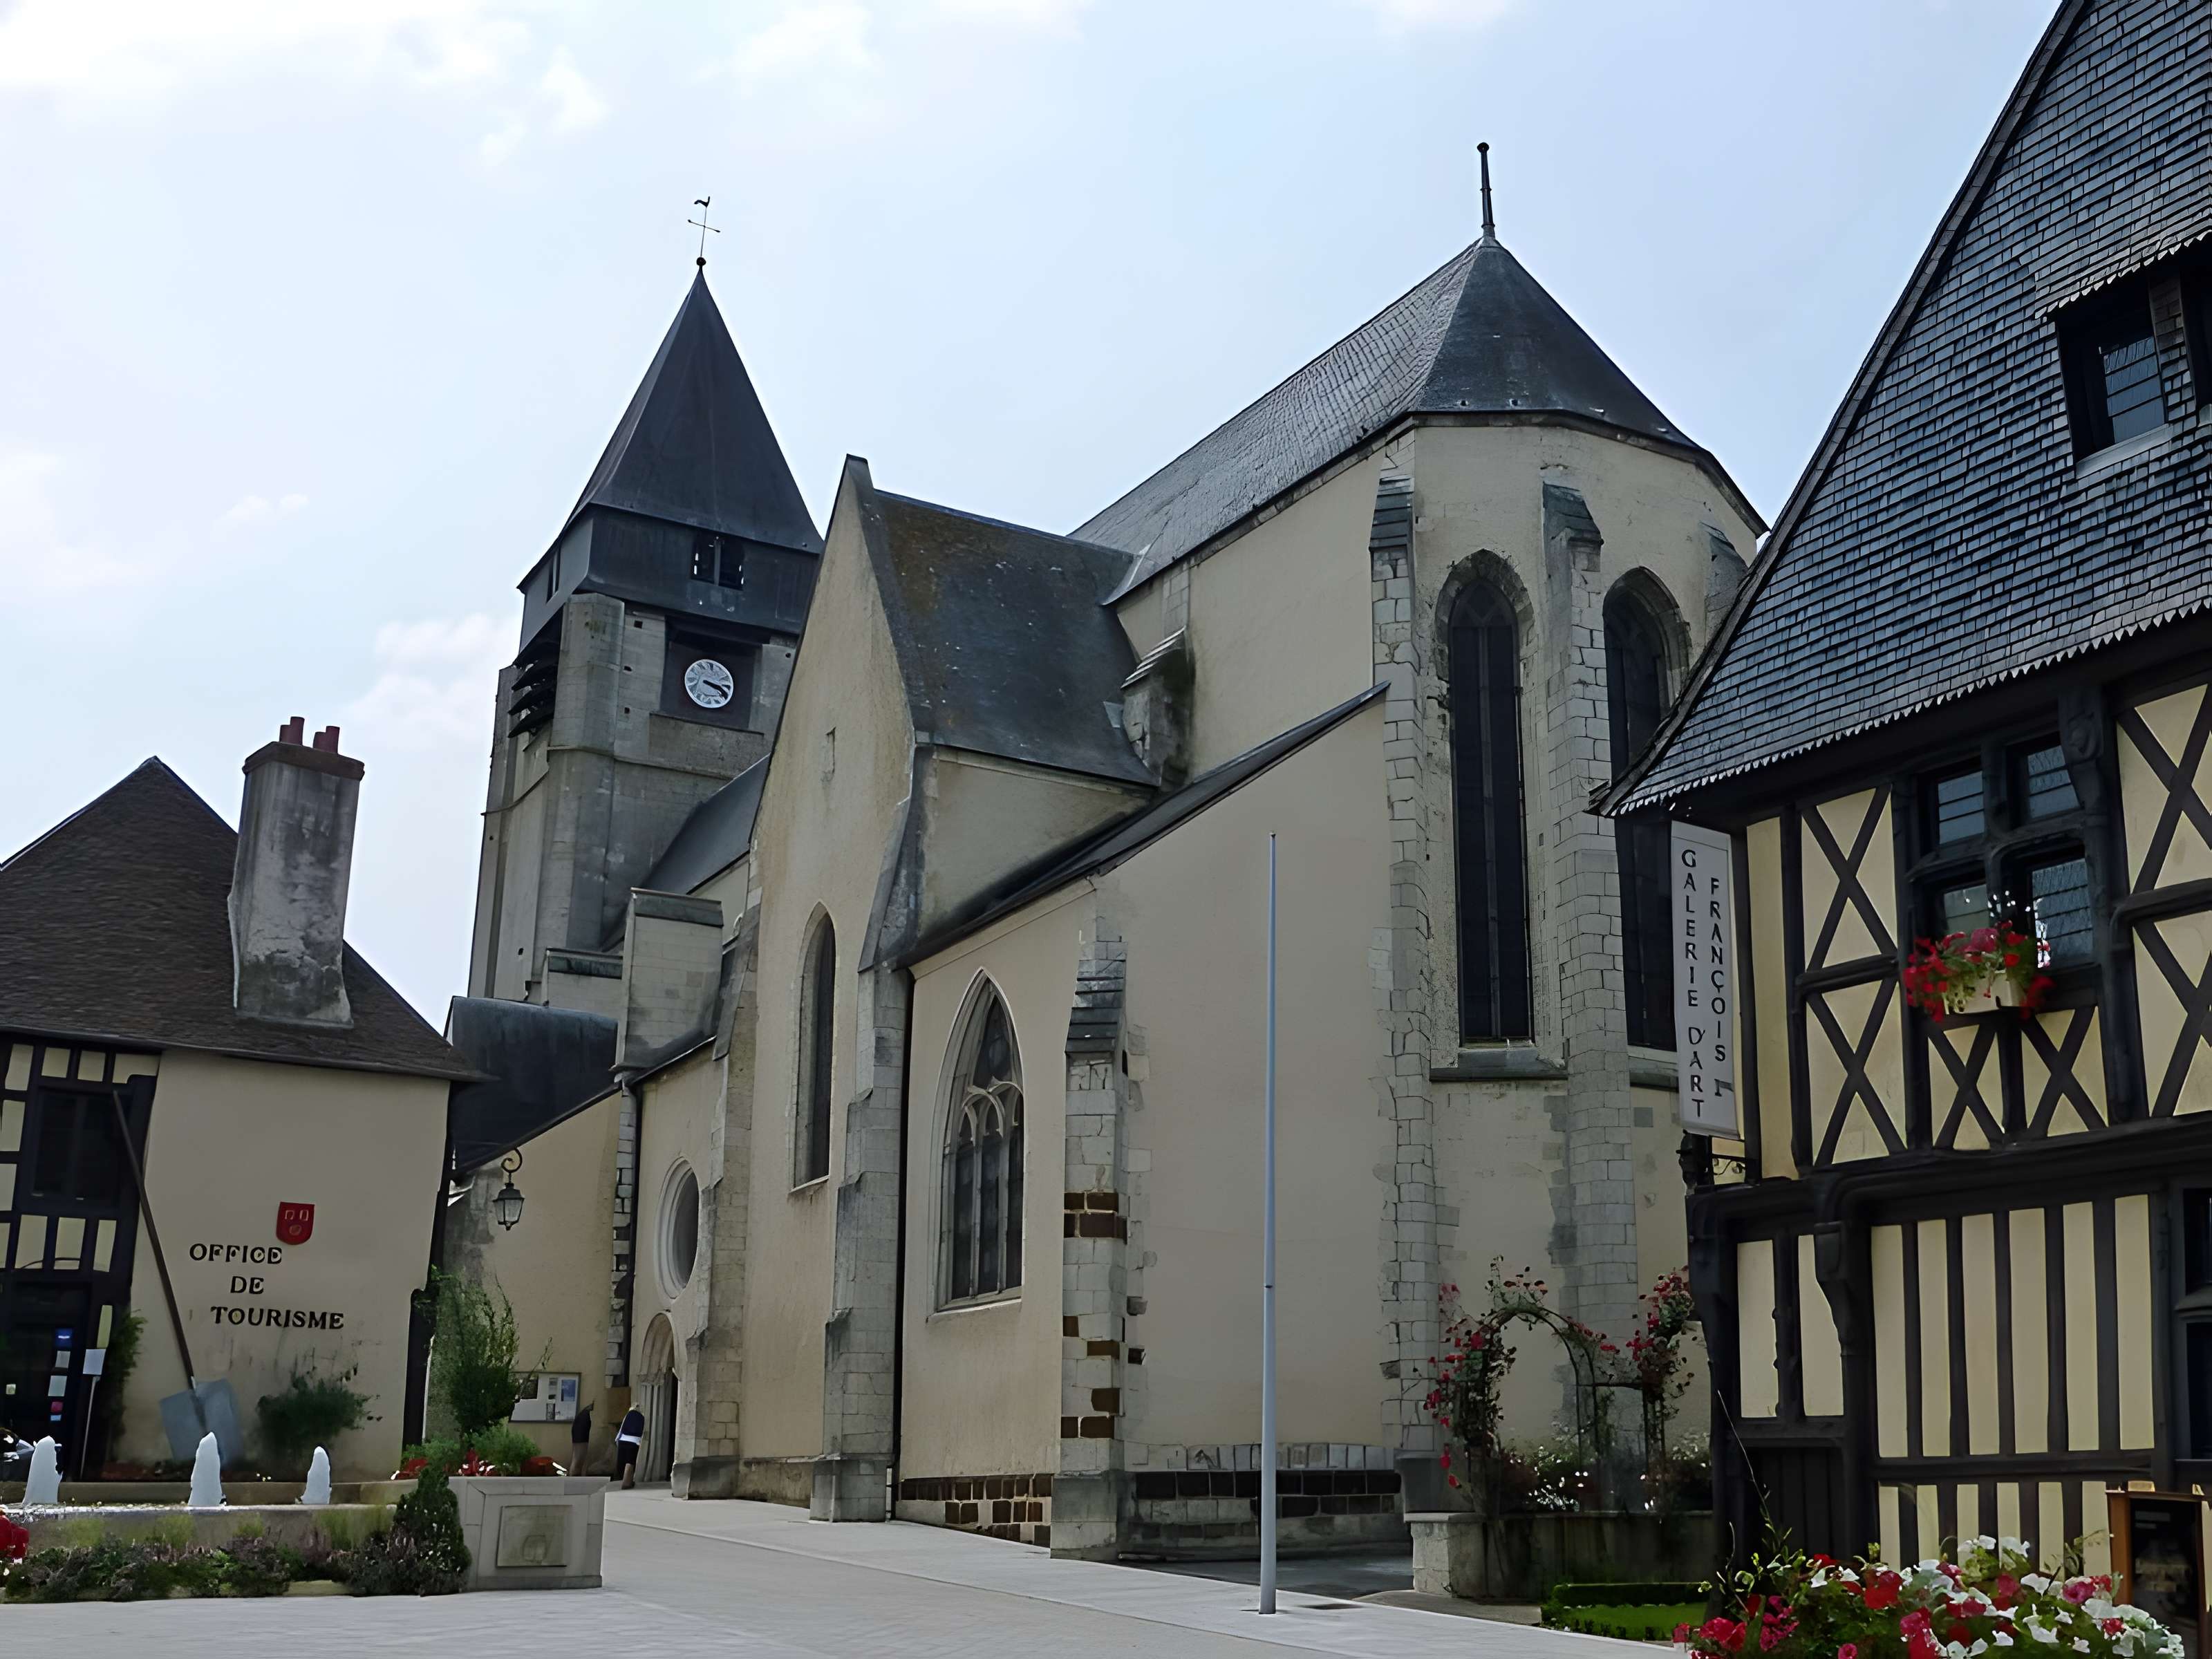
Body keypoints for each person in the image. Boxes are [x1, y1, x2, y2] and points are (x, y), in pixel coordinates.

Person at [615, 1403, 646, 1489]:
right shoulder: (642, 1416)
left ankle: (623, 1480)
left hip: (623, 1440)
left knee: (622, 1463)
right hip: (634, 1442)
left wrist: (617, 1440)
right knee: (630, 1463)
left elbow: (622, 1428)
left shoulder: (628, 1415)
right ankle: (627, 1483)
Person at [568, 1403, 593, 1476]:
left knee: (578, 1458)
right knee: (579, 1459)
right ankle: (576, 1476)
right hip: (581, 1432)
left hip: (579, 1431)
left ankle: (575, 1476)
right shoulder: (585, 1415)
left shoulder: (583, 1415)